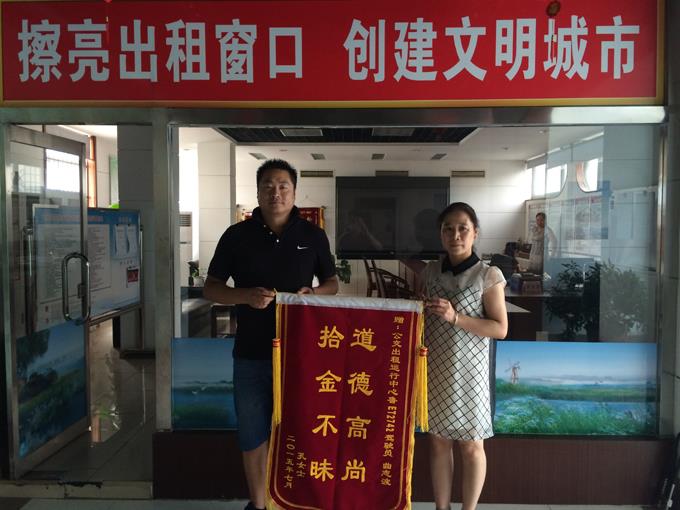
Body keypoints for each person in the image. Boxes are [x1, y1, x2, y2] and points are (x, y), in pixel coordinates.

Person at [203, 159, 338, 510]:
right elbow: (212, 288)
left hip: (301, 355)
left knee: (299, 432)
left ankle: (293, 500)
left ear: (294, 192)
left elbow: (332, 283)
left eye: (283, 186)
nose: (275, 193)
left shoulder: (312, 236)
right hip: (251, 353)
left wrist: (313, 293)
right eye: (268, 186)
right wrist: (244, 296)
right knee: (252, 435)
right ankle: (260, 504)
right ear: (258, 191)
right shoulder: (236, 236)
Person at [420, 202, 508, 510]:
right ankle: (441, 507)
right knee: (438, 442)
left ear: (475, 233)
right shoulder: (430, 271)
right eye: (448, 229)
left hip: (471, 373)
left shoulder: (488, 275)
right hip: (435, 370)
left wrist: (456, 317)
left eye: (462, 229)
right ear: (440, 234)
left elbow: (500, 328)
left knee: (471, 445)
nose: (455, 235)